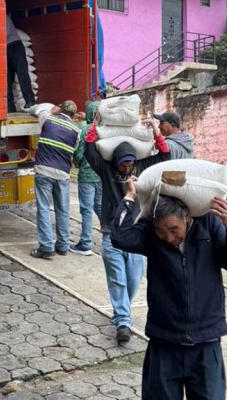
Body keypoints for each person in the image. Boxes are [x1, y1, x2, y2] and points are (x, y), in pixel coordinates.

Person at [111, 182, 227, 399]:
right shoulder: (150, 235)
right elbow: (119, 236)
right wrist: (130, 197)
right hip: (164, 341)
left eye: (174, 229)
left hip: (206, 343)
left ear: (187, 215)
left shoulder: (209, 226)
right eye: (161, 231)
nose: (168, 237)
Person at [84, 120, 171, 343]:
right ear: (115, 162)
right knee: (117, 280)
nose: (127, 167)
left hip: (136, 235)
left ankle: (122, 310)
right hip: (110, 234)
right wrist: (95, 125)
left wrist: (156, 131)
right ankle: (123, 321)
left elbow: (164, 156)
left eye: (130, 163)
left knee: (133, 280)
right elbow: (89, 149)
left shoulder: (141, 169)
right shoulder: (105, 170)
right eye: (123, 164)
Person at [30, 100, 81, 259]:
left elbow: (38, 109)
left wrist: (53, 109)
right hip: (63, 174)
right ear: (73, 114)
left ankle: (46, 247)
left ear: (60, 110)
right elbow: (74, 149)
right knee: (62, 210)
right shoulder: (76, 130)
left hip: (44, 171)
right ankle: (62, 246)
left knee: (44, 208)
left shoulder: (48, 119)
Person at [70, 101, 103, 256]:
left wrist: (77, 163)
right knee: (100, 207)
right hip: (102, 175)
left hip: (86, 175)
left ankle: (85, 243)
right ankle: (111, 237)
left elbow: (78, 153)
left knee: (86, 209)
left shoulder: (84, 130)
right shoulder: (106, 129)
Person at [6, 14, 35, 112]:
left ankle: (29, 100)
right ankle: (10, 107)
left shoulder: (3, 15)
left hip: (15, 45)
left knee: (22, 74)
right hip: (4, 48)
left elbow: (5, 33)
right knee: (7, 78)